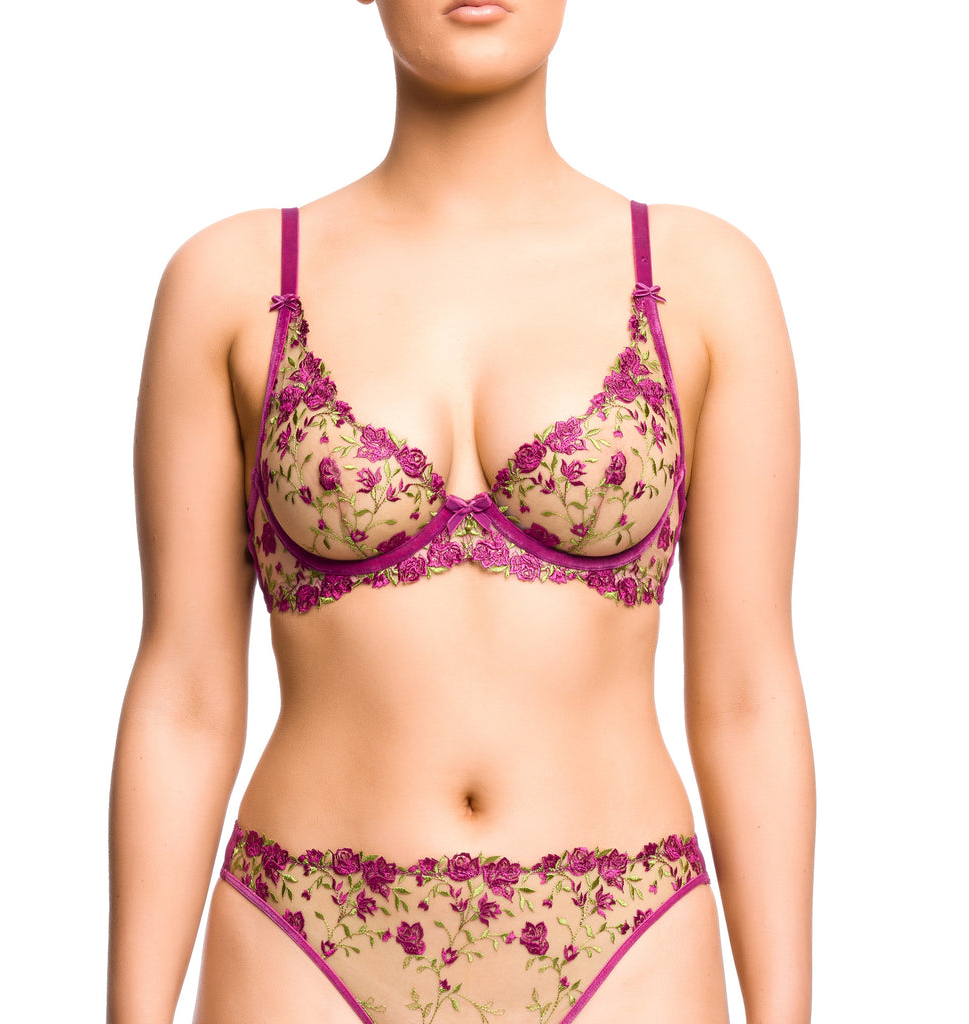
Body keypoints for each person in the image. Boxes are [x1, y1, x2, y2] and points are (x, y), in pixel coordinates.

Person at [109, 2, 814, 1021]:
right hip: (300, 940)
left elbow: (748, 695)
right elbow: (185, 696)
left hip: (630, 942)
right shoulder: (230, 282)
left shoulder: (703, 281)